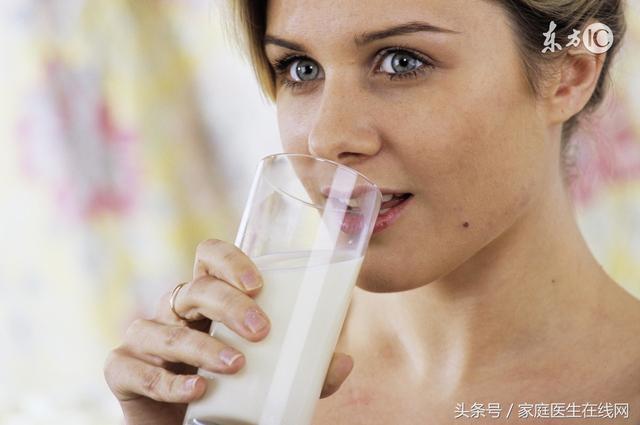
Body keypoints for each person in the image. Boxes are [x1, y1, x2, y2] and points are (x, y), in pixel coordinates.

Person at [104, 0, 640, 423]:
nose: (326, 138)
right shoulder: (239, 389)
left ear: (569, 75)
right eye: (300, 68)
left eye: (402, 62)